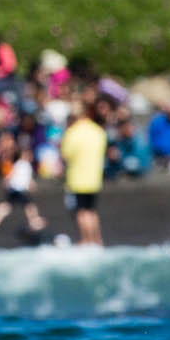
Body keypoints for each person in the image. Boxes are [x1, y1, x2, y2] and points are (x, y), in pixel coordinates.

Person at [61, 100, 107, 247]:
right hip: (94, 177)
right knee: (91, 210)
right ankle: (97, 239)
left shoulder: (72, 132)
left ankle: (86, 240)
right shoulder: (98, 131)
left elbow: (66, 154)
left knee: (81, 211)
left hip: (78, 178)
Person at [0, 133, 47, 238]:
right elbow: (12, 175)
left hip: (17, 189)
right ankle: (34, 222)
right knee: (28, 206)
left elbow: (26, 178)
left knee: (9, 206)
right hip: (18, 190)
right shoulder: (21, 164)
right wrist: (8, 181)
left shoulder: (23, 165)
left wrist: (31, 184)